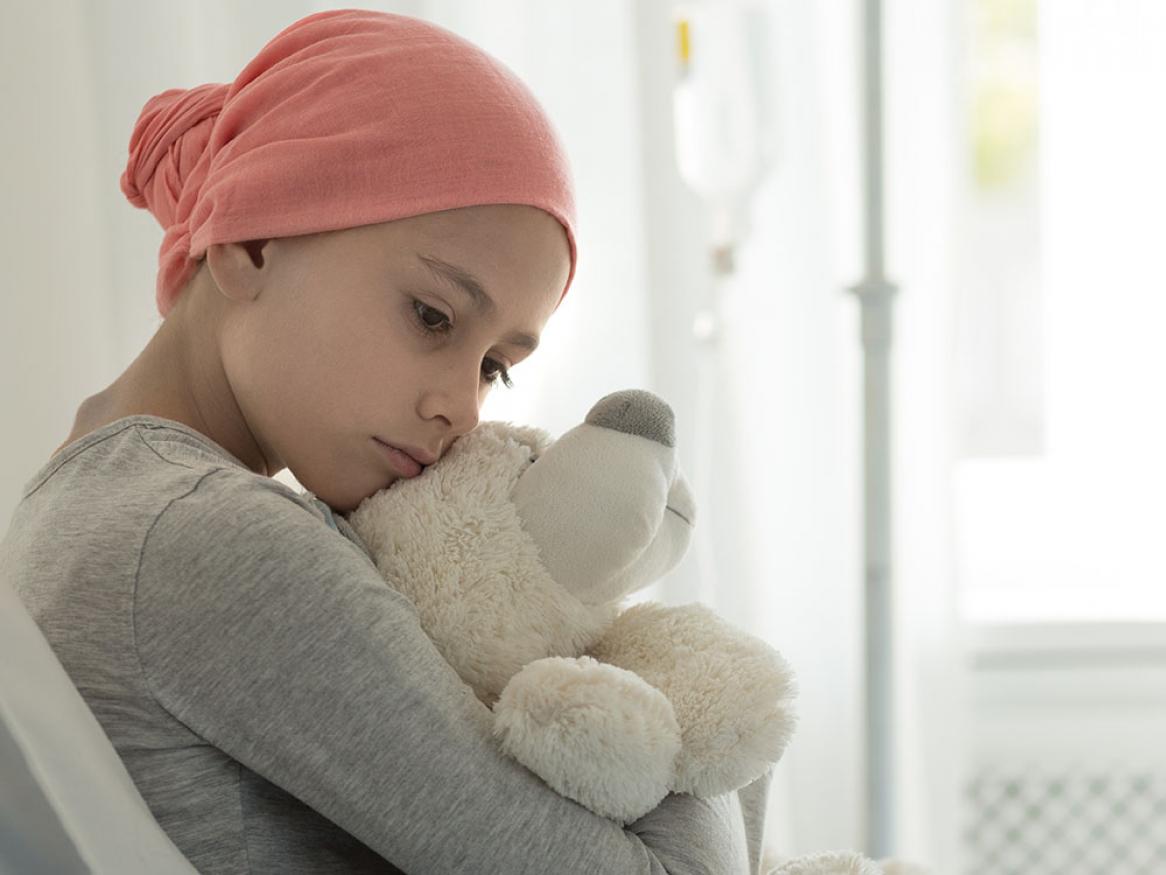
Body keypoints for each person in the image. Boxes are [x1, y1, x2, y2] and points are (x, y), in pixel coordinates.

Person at [0, 8, 771, 873]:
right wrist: (684, 698)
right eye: (432, 315)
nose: (464, 410)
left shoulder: (86, 502)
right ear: (251, 238)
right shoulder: (208, 541)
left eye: (495, 367)